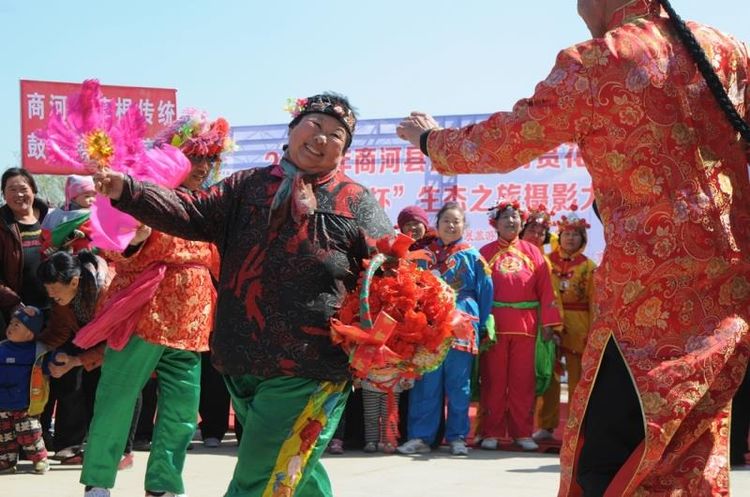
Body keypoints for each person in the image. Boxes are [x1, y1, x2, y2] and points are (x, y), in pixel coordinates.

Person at [397, 0, 750, 494]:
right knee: (690, 446)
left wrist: (431, 139)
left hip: (645, 301)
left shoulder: (597, 61)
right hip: (729, 296)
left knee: (611, 456)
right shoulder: (727, 50)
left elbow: (504, 142)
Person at [94, 93, 393, 497]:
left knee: (259, 477)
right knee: (291, 467)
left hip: (310, 364)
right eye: (315, 126)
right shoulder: (246, 185)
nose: (322, 139)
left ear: (345, 149)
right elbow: (191, 212)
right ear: (291, 130)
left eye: (336, 135)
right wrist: (129, 191)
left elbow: (392, 268)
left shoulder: (354, 200)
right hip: (242, 360)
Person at [77, 112, 225, 497]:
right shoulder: (147, 195)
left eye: (212, 159)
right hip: (143, 314)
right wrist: (137, 239)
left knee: (179, 414)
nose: (204, 166)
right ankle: (97, 481)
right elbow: (116, 252)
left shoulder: (210, 204)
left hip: (192, 322)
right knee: (117, 399)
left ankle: (162, 485)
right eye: (197, 156)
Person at [397, 202, 493, 457]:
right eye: (446, 221)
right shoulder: (423, 255)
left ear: (464, 226)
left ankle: (458, 436)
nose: (451, 225)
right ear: (436, 225)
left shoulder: (473, 256)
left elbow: (486, 293)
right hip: (429, 328)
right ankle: (420, 436)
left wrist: (480, 324)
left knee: (458, 385)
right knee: (426, 383)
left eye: (456, 221)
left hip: (461, 328)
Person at [37, 250, 140, 470]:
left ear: (74, 281)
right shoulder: (63, 295)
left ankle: (122, 451)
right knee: (91, 391)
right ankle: (89, 446)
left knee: (122, 391)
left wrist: (77, 361)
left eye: (55, 292)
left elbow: (117, 341)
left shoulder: (109, 289)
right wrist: (32, 348)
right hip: (91, 342)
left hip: (126, 342)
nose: (53, 298)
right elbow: (59, 330)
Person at [473, 201, 561, 452]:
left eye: (515, 218)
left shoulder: (534, 254)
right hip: (494, 327)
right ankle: (491, 431)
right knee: (493, 381)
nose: (511, 222)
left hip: (527, 327)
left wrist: (549, 323)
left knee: (523, 383)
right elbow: (478, 290)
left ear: (521, 223)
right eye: (505, 218)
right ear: (495, 223)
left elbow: (546, 291)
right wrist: (479, 323)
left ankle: (522, 432)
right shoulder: (485, 252)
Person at [534, 207, 596, 443]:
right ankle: (546, 425)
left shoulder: (589, 267)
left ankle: (576, 429)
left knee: (577, 380)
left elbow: (594, 301)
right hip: (549, 324)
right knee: (548, 375)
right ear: (558, 237)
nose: (570, 238)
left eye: (576, 234)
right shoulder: (545, 262)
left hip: (579, 326)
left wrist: (593, 331)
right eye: (566, 234)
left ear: (583, 239)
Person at [0, 306, 50, 474]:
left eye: (17, 325)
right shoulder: (1, 348)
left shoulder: (38, 350)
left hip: (25, 404)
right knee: (4, 437)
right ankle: (7, 462)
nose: (11, 327)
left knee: (30, 433)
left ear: (29, 334)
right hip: (2, 403)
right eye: (11, 323)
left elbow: (50, 366)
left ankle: (40, 459)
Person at [0, 168, 49, 337]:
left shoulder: (52, 219)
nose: (19, 195)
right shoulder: (2, 226)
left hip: (56, 308)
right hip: (17, 313)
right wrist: (13, 304)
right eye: (12, 190)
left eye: (23, 189)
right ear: (3, 195)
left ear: (34, 190)